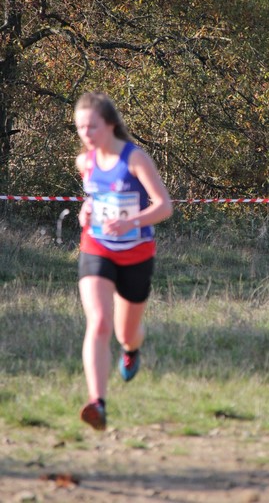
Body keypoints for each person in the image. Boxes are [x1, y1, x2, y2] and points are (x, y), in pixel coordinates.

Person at [74, 91, 173, 430]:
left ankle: (131, 351)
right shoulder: (85, 162)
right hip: (97, 248)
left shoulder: (135, 159)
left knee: (126, 333)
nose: (86, 134)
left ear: (110, 125)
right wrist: (85, 211)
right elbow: (93, 199)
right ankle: (97, 404)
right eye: (80, 127)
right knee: (99, 321)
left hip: (136, 253)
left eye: (92, 126)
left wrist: (131, 222)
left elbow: (164, 206)